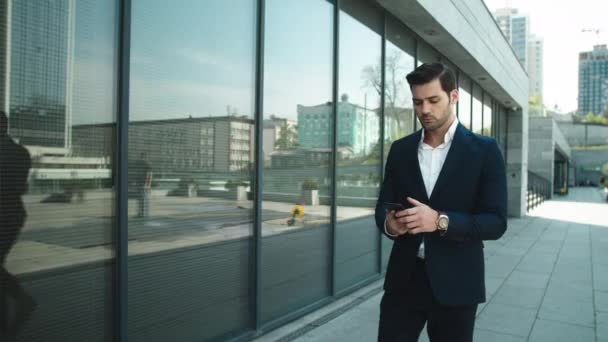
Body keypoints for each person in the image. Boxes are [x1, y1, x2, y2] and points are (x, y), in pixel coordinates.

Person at [374, 63, 507, 342]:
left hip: (457, 284)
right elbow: (383, 206)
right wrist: (390, 224)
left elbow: (496, 222)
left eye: (433, 100)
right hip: (404, 282)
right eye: (418, 102)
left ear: (453, 97)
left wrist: (439, 221)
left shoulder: (484, 150)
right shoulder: (400, 150)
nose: (424, 110)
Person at [0, 111, 36, 339]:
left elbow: (12, 187)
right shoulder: (20, 152)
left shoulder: (16, 153)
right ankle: (4, 326)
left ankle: (23, 300)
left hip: (7, 216)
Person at [133, 153, 152, 218]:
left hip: (144, 185)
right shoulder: (141, 165)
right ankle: (140, 213)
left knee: (143, 199)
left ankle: (143, 214)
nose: (141, 158)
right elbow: (137, 174)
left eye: (142, 157)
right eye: (141, 157)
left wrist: (147, 184)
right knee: (140, 199)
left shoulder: (147, 164)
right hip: (140, 184)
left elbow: (149, 175)